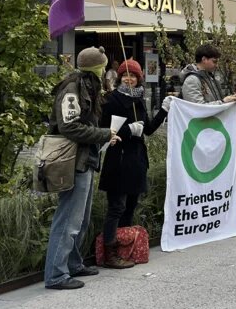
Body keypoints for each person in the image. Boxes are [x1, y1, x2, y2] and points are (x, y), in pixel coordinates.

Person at [44, 47, 119, 290]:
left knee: (81, 217)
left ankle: (74, 263)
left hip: (83, 158)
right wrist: (103, 134)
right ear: (97, 66)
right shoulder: (73, 88)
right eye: (103, 65)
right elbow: (69, 127)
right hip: (72, 160)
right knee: (69, 219)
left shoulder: (86, 85)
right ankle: (56, 274)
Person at [98, 59, 171, 268]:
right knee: (116, 206)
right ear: (119, 78)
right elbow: (104, 129)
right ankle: (109, 252)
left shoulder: (138, 99)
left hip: (137, 160)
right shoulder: (113, 99)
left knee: (130, 206)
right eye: (125, 75)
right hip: (119, 159)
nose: (129, 79)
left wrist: (163, 111)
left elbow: (147, 129)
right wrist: (128, 130)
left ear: (139, 79)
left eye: (133, 76)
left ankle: (124, 246)